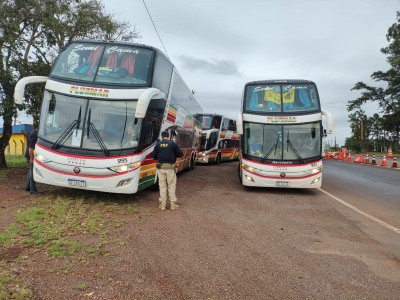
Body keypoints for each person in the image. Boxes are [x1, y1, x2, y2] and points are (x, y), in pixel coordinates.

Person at [152, 130, 183, 211]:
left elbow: (154, 156)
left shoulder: (158, 144)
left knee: (162, 186)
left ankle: (163, 205)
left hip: (160, 168)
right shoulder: (173, 144)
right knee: (171, 186)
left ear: (162, 136)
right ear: (168, 136)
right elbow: (180, 154)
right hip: (170, 169)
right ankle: (172, 205)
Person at [25, 126, 40, 195]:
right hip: (30, 154)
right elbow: (31, 148)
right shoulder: (34, 134)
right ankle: (33, 189)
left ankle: (28, 186)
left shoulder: (35, 133)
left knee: (30, 170)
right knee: (32, 171)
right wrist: (31, 159)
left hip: (30, 154)